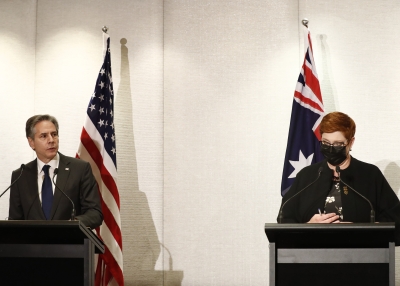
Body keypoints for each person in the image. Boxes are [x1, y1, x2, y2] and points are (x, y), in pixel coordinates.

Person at [278, 111, 400, 227]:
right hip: (314, 247)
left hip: (358, 248)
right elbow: (284, 218)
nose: (331, 148)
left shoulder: (370, 175)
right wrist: (309, 226)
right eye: (326, 142)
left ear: (351, 142)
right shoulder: (307, 176)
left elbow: (395, 220)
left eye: (337, 144)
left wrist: (362, 229)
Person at [8, 114, 103, 229]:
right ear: (31, 142)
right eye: (43, 136)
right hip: (33, 246)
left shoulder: (80, 169)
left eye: (54, 134)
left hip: (70, 243)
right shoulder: (20, 176)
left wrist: (73, 223)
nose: (51, 140)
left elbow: (94, 213)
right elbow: (14, 221)